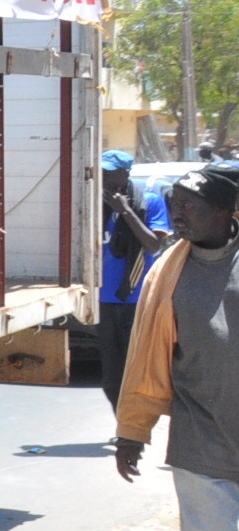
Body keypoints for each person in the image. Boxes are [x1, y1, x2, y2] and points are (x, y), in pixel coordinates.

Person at [115, 162, 239, 531]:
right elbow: (147, 358)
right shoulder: (169, 269)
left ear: (226, 211)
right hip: (201, 443)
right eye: (175, 200)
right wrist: (132, 431)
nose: (179, 211)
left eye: (191, 202)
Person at [98, 151, 168, 410]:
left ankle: (130, 430)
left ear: (125, 174)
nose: (103, 177)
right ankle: (125, 425)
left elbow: (152, 244)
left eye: (109, 172)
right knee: (111, 378)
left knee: (135, 369)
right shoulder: (95, 202)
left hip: (135, 298)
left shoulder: (149, 202)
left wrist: (125, 211)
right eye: (101, 172)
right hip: (103, 299)